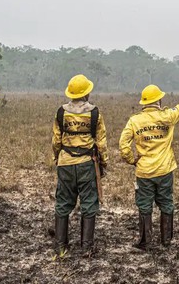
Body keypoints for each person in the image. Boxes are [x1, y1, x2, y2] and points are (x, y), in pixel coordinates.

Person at [120, 85, 179, 250]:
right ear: (159, 100)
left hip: (144, 171)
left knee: (144, 205)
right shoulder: (168, 116)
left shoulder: (135, 120)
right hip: (165, 169)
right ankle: (166, 240)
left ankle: (145, 241)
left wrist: (132, 160)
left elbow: (123, 145)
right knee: (166, 203)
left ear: (144, 103)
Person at [52, 74, 108, 255]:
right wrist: (103, 163)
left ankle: (61, 246)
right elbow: (101, 142)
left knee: (63, 203)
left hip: (65, 163)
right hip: (87, 163)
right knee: (89, 203)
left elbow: (56, 141)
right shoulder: (95, 113)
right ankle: (87, 247)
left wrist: (57, 158)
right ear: (87, 93)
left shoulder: (61, 112)